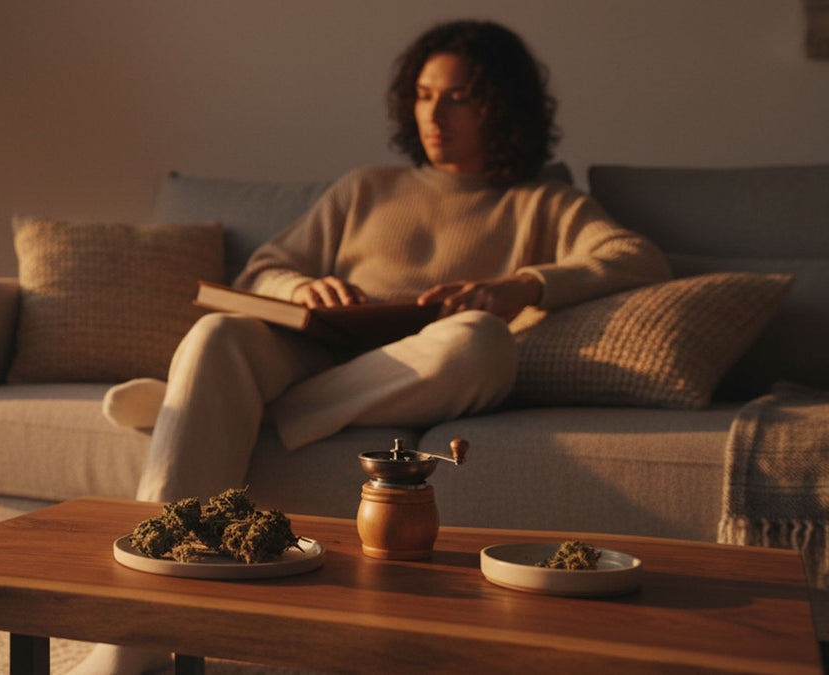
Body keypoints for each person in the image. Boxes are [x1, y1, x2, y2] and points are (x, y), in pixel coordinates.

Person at [70, 19, 670, 675]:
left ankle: (200, 408)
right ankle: (134, 627)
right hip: (322, 349)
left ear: (503, 106)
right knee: (218, 334)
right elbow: (261, 271)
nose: (434, 114)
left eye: (459, 96)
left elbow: (637, 258)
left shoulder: (544, 202)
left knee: (481, 341)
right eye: (422, 94)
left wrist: (520, 285)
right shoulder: (366, 188)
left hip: (426, 362)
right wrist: (305, 285)